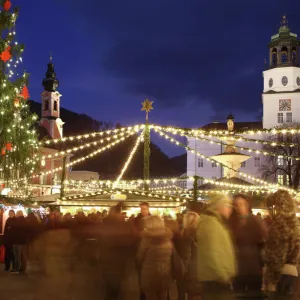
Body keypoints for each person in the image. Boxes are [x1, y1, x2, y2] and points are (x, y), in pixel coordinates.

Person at [193, 194, 236, 300]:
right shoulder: (211, 223)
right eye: (227, 205)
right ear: (219, 206)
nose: (230, 209)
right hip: (215, 279)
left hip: (216, 277)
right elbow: (212, 252)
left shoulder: (216, 222)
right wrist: (223, 276)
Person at [263, 190, 300, 300]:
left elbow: (277, 256)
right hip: (293, 273)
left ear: (277, 207)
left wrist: (271, 281)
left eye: (270, 208)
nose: (269, 211)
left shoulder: (279, 225)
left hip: (281, 275)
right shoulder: (294, 223)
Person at [229, 194, 266, 297]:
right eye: (236, 204)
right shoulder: (231, 222)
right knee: (239, 294)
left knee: (254, 294)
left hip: (254, 267)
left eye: (242, 204)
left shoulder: (256, 220)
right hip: (237, 268)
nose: (239, 206)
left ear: (247, 204)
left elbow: (264, 240)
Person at [137, 215, 177, 300]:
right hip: (165, 273)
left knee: (150, 296)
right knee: (163, 296)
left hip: (149, 275)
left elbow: (139, 258)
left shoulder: (146, 240)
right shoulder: (167, 239)